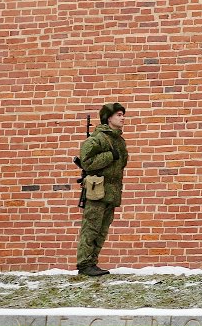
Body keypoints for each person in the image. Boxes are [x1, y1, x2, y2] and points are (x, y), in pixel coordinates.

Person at [76, 102, 129, 277]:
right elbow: (86, 162)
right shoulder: (97, 138)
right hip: (97, 192)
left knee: (102, 229)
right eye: (119, 115)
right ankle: (84, 264)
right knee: (91, 228)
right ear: (109, 117)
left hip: (110, 192)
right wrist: (109, 156)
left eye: (123, 115)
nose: (123, 118)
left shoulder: (118, 140)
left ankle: (93, 263)